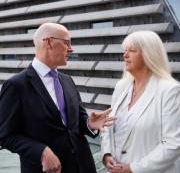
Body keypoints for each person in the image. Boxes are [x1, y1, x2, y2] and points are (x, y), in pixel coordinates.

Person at [0, 22, 116, 173]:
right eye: (67, 42)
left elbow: (77, 121)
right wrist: (41, 152)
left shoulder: (67, 80)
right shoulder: (16, 85)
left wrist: (89, 123)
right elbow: (5, 135)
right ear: (48, 42)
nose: (71, 48)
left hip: (83, 166)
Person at [101, 30, 180, 173]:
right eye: (125, 51)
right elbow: (108, 126)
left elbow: (173, 144)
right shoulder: (121, 87)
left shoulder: (169, 90)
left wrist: (133, 168)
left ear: (149, 55)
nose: (125, 55)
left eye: (132, 51)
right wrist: (107, 155)